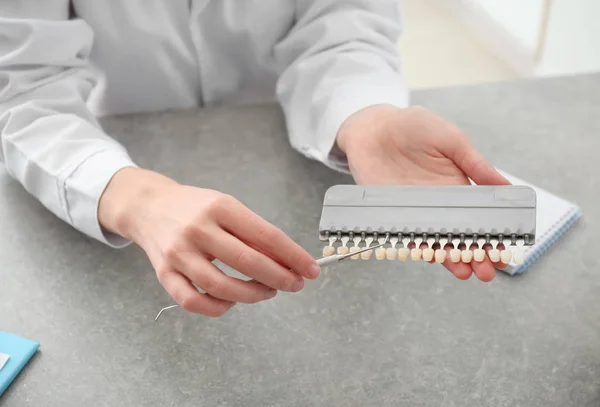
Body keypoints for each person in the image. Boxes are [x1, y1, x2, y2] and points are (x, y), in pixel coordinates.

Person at [0, 1, 510, 317]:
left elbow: (343, 23)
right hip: (111, 143)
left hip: (296, 144)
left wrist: (365, 116)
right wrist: (132, 195)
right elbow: (23, 87)